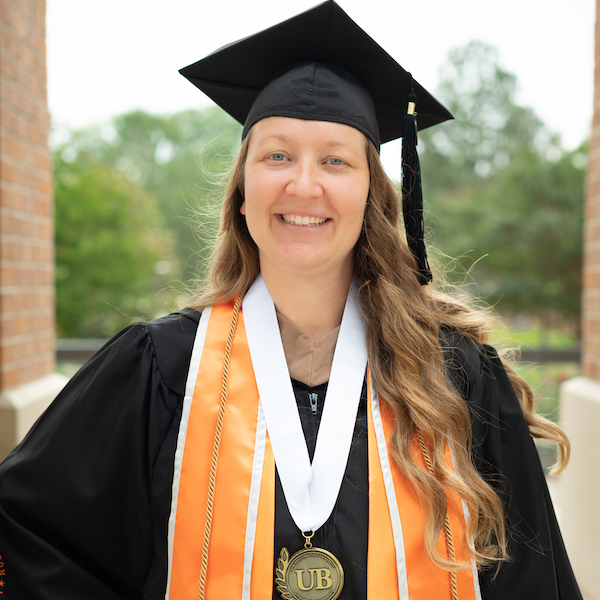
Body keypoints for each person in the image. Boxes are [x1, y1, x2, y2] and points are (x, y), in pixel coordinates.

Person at [0, 2, 583, 599]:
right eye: (277, 155)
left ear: (371, 197)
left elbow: (531, 581)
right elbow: (31, 534)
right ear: (243, 193)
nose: (304, 185)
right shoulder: (162, 370)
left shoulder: (456, 379)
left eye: (335, 160)